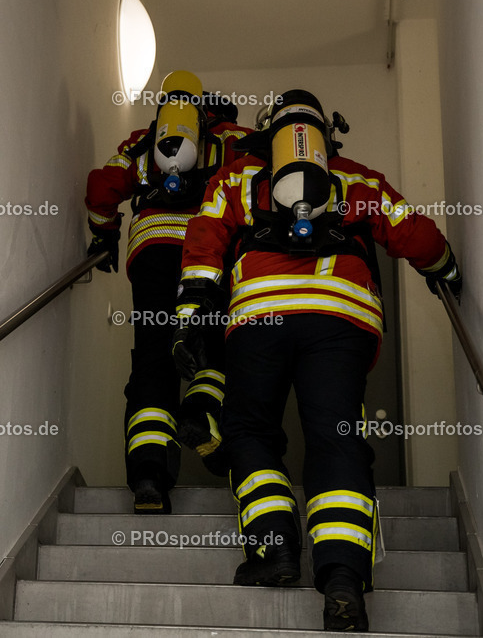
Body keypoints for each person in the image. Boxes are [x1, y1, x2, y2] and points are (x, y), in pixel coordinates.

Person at [171, 89, 462, 631]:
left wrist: (194, 305)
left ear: (268, 130)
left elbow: (205, 234)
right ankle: (344, 577)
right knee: (335, 438)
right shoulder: (356, 178)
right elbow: (412, 230)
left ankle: (274, 548)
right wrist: (444, 268)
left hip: (260, 314)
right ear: (326, 135)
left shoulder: (239, 176)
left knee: (251, 430)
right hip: (339, 317)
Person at [84, 71, 251, 513]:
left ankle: (148, 477)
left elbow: (101, 189)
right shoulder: (234, 138)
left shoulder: (144, 141)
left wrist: (104, 236)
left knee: (154, 358)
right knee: (214, 344)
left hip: (153, 252)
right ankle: (200, 409)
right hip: (207, 254)